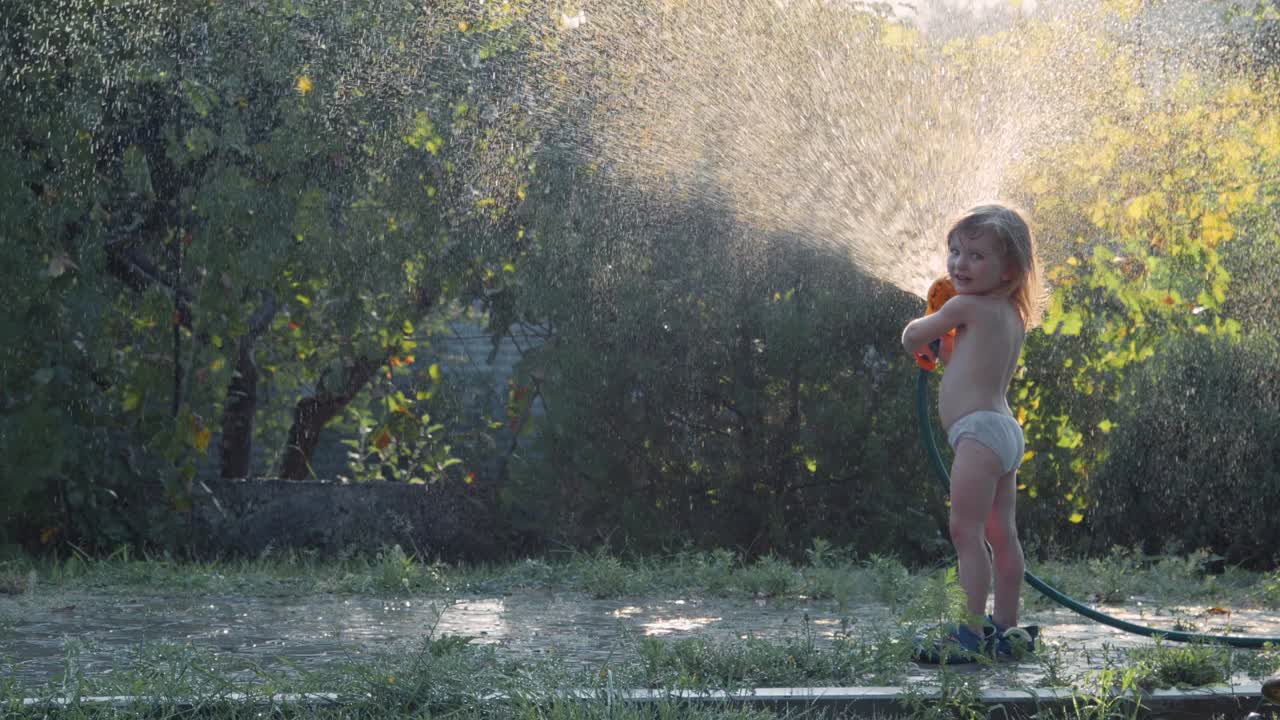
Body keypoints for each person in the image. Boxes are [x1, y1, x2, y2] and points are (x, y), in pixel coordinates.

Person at [901, 204, 1043, 662]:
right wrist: (944, 342)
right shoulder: (1010, 316)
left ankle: (969, 630)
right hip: (1003, 431)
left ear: (1009, 270)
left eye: (977, 256)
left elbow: (911, 337)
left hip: (978, 434)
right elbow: (957, 362)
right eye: (956, 251)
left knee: (966, 532)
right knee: (1003, 533)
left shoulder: (963, 306)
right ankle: (1007, 628)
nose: (960, 264)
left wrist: (933, 314)